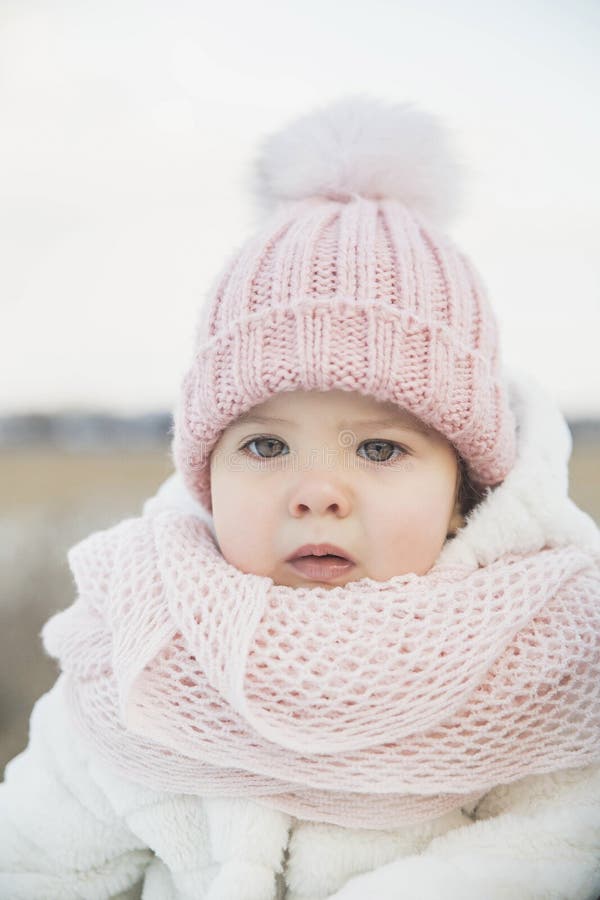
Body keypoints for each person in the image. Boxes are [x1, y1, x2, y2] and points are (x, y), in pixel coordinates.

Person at [1, 96, 600, 900]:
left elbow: (557, 851)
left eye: (380, 449)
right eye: (266, 447)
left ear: (465, 491)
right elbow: (31, 862)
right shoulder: (143, 650)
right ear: (206, 476)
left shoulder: (545, 656)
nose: (317, 493)